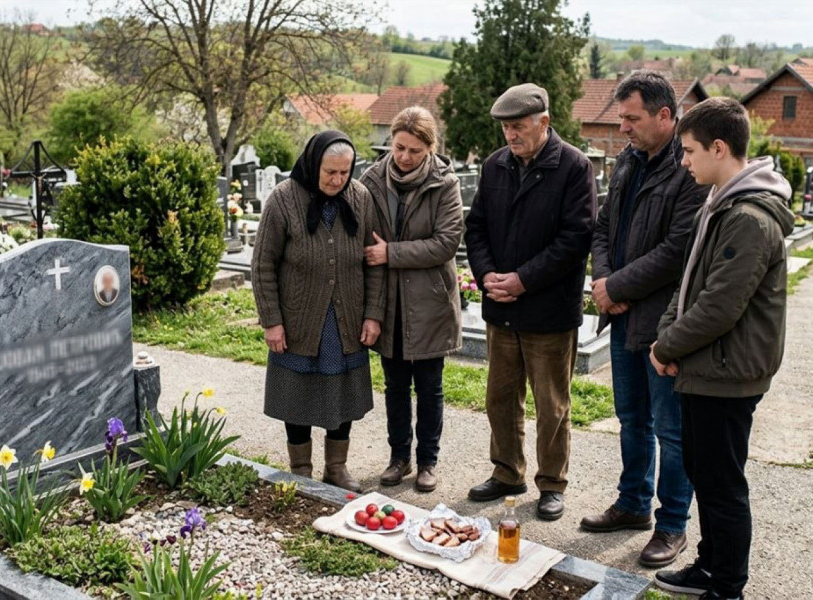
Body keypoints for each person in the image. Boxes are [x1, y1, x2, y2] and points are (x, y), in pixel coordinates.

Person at [651, 97, 793, 600]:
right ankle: (708, 566)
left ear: (719, 147)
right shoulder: (721, 203)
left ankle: (727, 586)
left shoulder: (749, 218)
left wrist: (667, 345)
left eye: (689, 151)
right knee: (704, 472)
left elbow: (718, 306)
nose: (684, 160)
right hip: (705, 366)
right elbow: (688, 287)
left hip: (727, 373)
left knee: (722, 484)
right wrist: (665, 339)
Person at [581, 71, 707, 568]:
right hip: (622, 316)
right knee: (631, 419)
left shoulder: (688, 168)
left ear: (664, 116)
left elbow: (677, 251)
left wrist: (616, 287)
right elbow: (605, 226)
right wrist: (603, 280)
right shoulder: (630, 160)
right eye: (621, 117)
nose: (623, 127)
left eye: (631, 118)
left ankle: (672, 524)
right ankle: (633, 503)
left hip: (662, 325)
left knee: (670, 429)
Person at [464, 83, 596, 520]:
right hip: (501, 306)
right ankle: (507, 472)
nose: (510, 135)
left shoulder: (574, 167)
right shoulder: (495, 165)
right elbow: (477, 227)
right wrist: (486, 275)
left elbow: (575, 239)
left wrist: (523, 280)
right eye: (505, 128)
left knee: (551, 403)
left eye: (518, 127)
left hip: (548, 310)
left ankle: (552, 483)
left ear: (544, 122)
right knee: (500, 397)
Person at [251, 130, 386, 493]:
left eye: (345, 172)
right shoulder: (283, 199)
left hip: (346, 319)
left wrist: (373, 313)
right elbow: (263, 265)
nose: (337, 180)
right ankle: (301, 469)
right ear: (314, 164)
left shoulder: (360, 198)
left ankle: (336, 468)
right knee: (296, 395)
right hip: (297, 321)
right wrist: (272, 322)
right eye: (330, 172)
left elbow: (374, 263)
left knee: (340, 392)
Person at [359, 106, 464, 492]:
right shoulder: (371, 180)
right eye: (398, 147)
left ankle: (427, 462)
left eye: (414, 151)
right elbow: (366, 240)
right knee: (395, 385)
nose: (403, 157)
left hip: (430, 302)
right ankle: (398, 457)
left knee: (430, 387)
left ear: (430, 149)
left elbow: (446, 243)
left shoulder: (444, 183)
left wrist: (392, 254)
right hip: (389, 301)